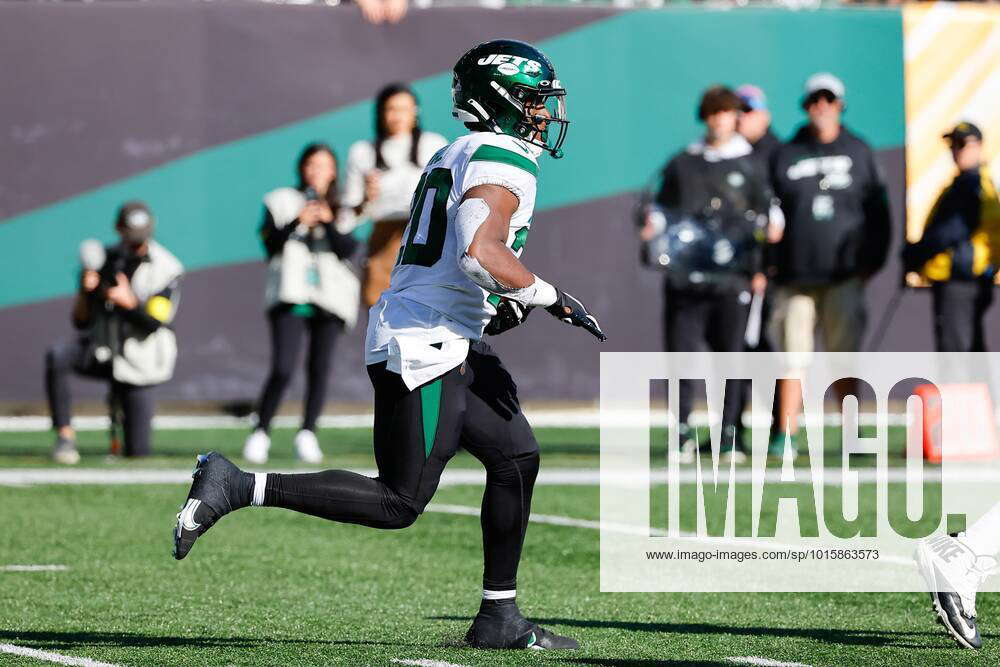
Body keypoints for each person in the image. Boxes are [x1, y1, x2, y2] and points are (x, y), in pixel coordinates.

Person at [173, 39, 605, 651]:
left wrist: (499, 304)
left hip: (445, 333)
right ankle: (237, 484)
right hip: (426, 344)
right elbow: (479, 253)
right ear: (502, 100)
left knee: (515, 458)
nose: (543, 114)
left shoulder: (455, 151)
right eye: (534, 100)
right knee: (398, 500)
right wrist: (549, 296)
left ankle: (499, 617)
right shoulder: (504, 157)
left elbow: (463, 258)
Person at [639, 85, 771, 463]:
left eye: (726, 112)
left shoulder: (751, 163)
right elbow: (659, 208)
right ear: (705, 117)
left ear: (736, 117)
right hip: (687, 277)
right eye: (712, 113)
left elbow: (769, 215)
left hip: (734, 278)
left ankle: (729, 434)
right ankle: (681, 431)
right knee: (682, 358)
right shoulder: (684, 162)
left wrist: (762, 260)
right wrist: (652, 226)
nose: (719, 120)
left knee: (731, 358)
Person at [768, 72, 891, 459]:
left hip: (843, 278)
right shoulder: (787, 153)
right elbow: (768, 213)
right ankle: (785, 435)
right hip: (795, 278)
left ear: (840, 105)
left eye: (829, 99)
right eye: (814, 100)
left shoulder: (859, 151)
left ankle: (853, 435)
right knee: (793, 358)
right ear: (806, 106)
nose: (822, 106)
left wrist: (871, 264)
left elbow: (880, 214)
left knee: (844, 359)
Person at [243, 143, 360, 465]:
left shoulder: (344, 206)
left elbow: (347, 249)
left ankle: (308, 432)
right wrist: (297, 221)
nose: (316, 172)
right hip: (291, 292)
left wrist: (327, 220)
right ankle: (261, 430)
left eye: (323, 166)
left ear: (333, 171)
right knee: (283, 366)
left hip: (330, 296)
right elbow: (269, 244)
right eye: (311, 165)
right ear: (302, 168)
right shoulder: (280, 200)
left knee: (319, 369)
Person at [45, 201, 183, 463]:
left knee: (138, 452)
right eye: (131, 238)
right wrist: (86, 290)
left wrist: (128, 302)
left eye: (141, 238)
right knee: (59, 356)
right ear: (119, 230)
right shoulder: (104, 260)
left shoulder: (168, 268)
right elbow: (81, 322)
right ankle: (65, 437)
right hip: (104, 350)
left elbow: (153, 322)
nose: (136, 245)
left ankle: (127, 431)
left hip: (141, 362)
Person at [342, 83, 448, 308]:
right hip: (383, 242)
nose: (397, 116)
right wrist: (366, 199)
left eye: (404, 109)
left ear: (415, 112)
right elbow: (347, 219)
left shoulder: (434, 144)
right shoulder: (362, 152)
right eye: (391, 109)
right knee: (381, 309)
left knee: (427, 308)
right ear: (380, 113)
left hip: (427, 237)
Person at [903, 122, 1000, 352]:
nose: (956, 151)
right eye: (953, 145)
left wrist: (916, 254)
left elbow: (952, 231)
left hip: (961, 280)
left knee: (957, 355)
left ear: (978, 147)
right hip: (968, 278)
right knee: (970, 352)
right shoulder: (972, 182)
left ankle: (962, 390)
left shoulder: (972, 184)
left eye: (962, 144)